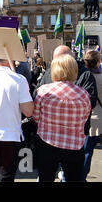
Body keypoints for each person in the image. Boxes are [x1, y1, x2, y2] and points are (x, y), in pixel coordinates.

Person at [33, 54, 91, 182]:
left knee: (45, 179)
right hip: (74, 145)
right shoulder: (84, 94)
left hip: (47, 142)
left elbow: (36, 117)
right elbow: (85, 118)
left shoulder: (43, 91)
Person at [82, 50, 102, 181]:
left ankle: (81, 176)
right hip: (98, 117)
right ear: (98, 62)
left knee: (87, 151)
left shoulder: (82, 77)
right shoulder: (100, 77)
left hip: (88, 119)